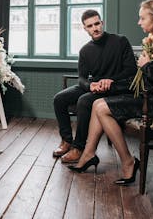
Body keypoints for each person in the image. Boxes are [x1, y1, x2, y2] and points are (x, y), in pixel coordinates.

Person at [67, 0, 153, 185]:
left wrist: (147, 66)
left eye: (142, 18)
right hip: (146, 97)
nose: (139, 22)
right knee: (97, 103)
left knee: (101, 108)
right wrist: (110, 85)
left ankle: (127, 162)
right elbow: (141, 80)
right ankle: (89, 154)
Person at [53, 10, 137, 163]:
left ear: (102, 22)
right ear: (85, 28)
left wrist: (110, 80)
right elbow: (82, 78)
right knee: (59, 99)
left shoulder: (120, 41)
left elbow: (131, 70)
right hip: (95, 86)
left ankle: (79, 148)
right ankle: (66, 141)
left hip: (115, 87)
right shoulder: (85, 50)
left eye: (97, 24)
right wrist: (90, 85)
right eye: (90, 26)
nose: (95, 28)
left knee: (84, 101)